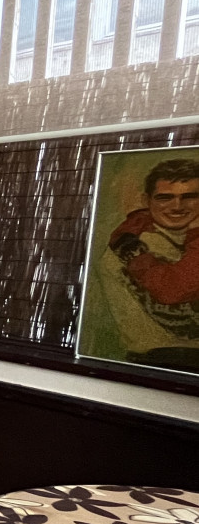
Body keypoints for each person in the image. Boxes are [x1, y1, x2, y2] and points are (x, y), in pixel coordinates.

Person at [99, 157, 199, 369]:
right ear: (147, 200)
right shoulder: (135, 245)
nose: (177, 206)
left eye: (189, 197)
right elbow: (175, 298)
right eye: (165, 197)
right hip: (163, 363)